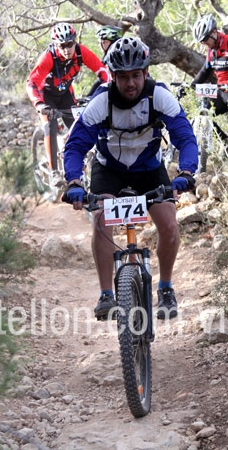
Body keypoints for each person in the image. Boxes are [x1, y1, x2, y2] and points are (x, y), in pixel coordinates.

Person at [62, 37, 199, 321]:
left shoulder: (159, 96)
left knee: (169, 225)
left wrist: (186, 173)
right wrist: (74, 182)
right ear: (113, 77)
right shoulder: (100, 102)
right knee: (101, 221)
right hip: (108, 170)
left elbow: (186, 138)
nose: (130, 83)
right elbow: (75, 147)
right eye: (123, 77)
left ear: (146, 72)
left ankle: (166, 288)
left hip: (149, 169)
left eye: (136, 75)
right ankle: (105, 294)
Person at [26, 22, 109, 171]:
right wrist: (39, 104)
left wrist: (107, 90)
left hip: (65, 95)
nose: (67, 49)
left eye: (70, 44)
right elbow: (31, 83)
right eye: (62, 45)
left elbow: (102, 71)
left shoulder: (80, 52)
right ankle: (54, 172)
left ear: (75, 41)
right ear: (55, 45)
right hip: (46, 97)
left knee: (80, 126)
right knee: (50, 126)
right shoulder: (48, 58)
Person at [190, 14, 228, 153]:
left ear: (214, 32)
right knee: (202, 113)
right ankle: (227, 143)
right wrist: (190, 87)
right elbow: (205, 71)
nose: (204, 43)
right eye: (201, 41)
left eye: (205, 39)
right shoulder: (211, 51)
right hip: (222, 92)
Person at [82, 25, 123, 100]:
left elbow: (103, 80)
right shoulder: (111, 57)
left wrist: (90, 96)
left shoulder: (114, 59)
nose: (100, 45)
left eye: (104, 42)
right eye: (99, 42)